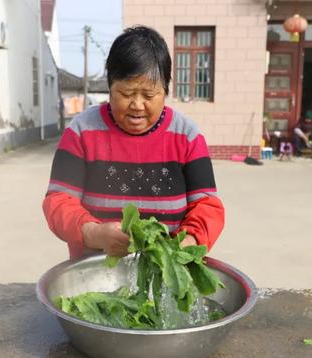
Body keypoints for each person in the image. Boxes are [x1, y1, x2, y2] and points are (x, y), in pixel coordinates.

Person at [43, 26, 225, 259]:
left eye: (149, 96)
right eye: (127, 94)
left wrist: (188, 243)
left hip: (166, 270)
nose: (138, 105)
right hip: (95, 269)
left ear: (166, 91)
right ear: (110, 88)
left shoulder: (187, 136)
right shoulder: (81, 132)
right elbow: (58, 202)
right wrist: (94, 233)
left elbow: (207, 205)